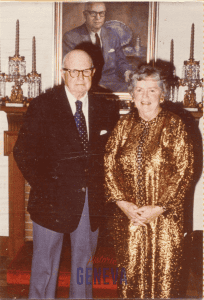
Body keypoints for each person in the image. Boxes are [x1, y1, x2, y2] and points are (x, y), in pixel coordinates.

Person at [13, 49, 119, 299]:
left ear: (93, 72)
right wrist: (46, 186)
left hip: (89, 202)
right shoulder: (43, 105)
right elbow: (23, 152)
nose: (80, 77)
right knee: (45, 266)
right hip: (51, 200)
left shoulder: (106, 107)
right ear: (64, 73)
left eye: (85, 71)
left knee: (84, 266)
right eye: (73, 71)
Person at [104, 64, 194, 298]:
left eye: (152, 90)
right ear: (132, 95)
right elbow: (108, 166)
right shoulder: (123, 126)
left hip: (164, 219)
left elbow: (184, 170)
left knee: (164, 280)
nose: (145, 96)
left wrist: (160, 207)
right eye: (140, 90)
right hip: (128, 219)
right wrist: (123, 204)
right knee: (130, 277)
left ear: (162, 95)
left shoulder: (175, 125)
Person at [62, 2, 132, 92]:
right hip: (86, 82)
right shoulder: (71, 37)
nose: (97, 18)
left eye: (101, 14)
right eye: (93, 13)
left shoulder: (112, 35)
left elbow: (121, 60)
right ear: (85, 14)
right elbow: (70, 67)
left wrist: (127, 72)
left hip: (112, 83)